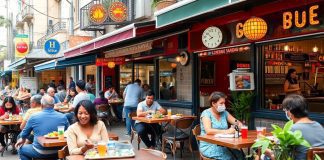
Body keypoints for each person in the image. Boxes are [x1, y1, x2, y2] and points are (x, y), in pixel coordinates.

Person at [263, 94, 324, 160]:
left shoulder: (293, 128)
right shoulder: (319, 126)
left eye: (285, 110)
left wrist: (264, 149)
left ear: (289, 112)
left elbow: (278, 156)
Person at [15, 95, 69, 160]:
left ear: (42, 105)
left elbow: (25, 132)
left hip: (40, 151)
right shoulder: (63, 117)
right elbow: (69, 132)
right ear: (53, 105)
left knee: (21, 149)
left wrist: (23, 139)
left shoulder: (34, 116)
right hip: (60, 151)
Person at [200, 91, 243, 160]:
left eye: (224, 103)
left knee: (240, 155)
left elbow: (236, 122)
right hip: (209, 145)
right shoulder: (206, 114)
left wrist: (239, 125)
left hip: (224, 144)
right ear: (213, 103)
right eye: (221, 103)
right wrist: (228, 131)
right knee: (229, 158)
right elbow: (208, 131)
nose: (224, 105)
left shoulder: (224, 113)